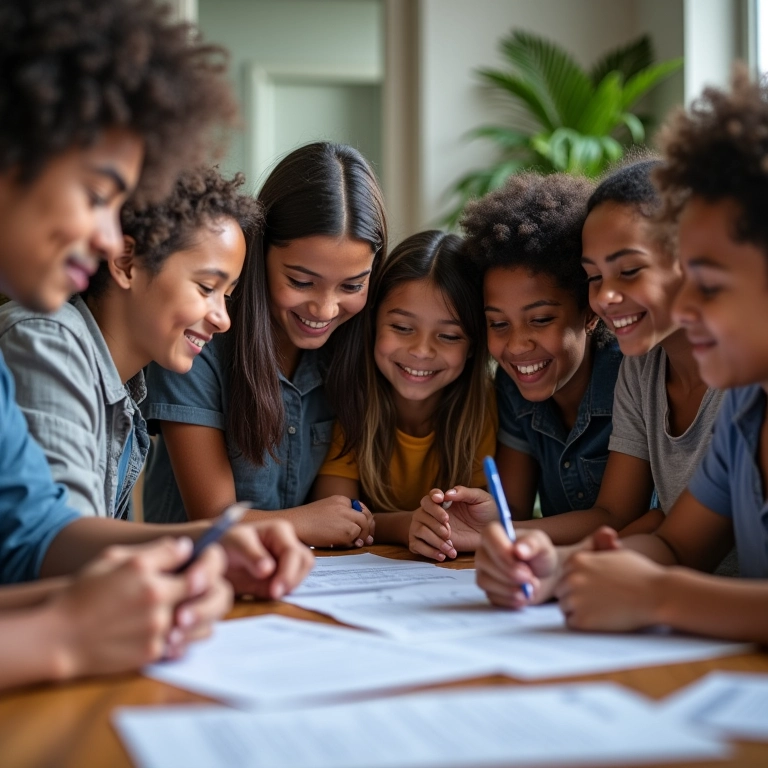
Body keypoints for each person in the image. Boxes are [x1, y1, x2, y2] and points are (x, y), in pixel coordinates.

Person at [0, 0, 312, 690]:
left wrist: (204, 546)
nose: (113, 236)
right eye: (98, 193)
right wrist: (63, 636)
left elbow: (37, 537)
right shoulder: (42, 337)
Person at [476, 69, 768, 643]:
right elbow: (675, 542)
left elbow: (665, 572)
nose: (684, 309)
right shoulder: (744, 411)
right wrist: (564, 568)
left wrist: (659, 595)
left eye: (706, 285)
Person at [143, 141, 387, 550]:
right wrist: (307, 522)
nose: (325, 308)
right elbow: (213, 517)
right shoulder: (200, 340)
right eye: (301, 281)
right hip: (193, 582)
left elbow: (341, 511)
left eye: (352, 285)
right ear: (259, 253)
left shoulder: (353, 349)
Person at [0, 167, 259, 520]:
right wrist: (220, 540)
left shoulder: (125, 396)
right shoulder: (47, 342)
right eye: (206, 288)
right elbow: (60, 540)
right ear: (125, 263)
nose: (223, 319)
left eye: (226, 296)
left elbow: (100, 555)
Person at [414, 173, 621, 557]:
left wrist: (508, 533)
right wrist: (480, 520)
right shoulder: (513, 388)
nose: (516, 345)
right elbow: (514, 511)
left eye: (540, 320)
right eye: (498, 324)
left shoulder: (630, 379)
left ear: (590, 313)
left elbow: (617, 517)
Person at [311, 230, 496, 560]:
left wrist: (419, 526)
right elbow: (335, 519)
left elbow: (476, 521)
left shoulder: (484, 407)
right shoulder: (349, 398)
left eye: (449, 336)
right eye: (402, 328)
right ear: (373, 323)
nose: (422, 351)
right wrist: (407, 525)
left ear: (473, 346)